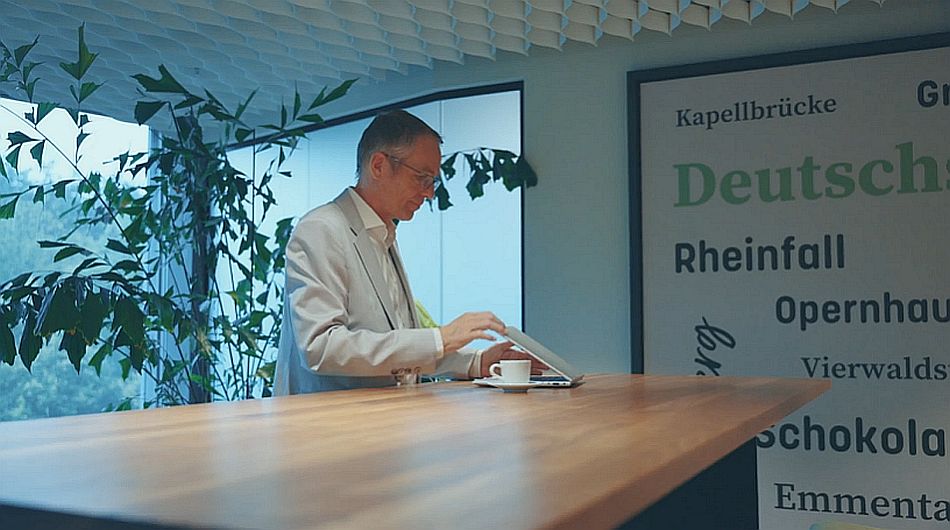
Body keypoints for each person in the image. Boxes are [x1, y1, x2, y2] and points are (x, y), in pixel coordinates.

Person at [274, 109, 543, 394]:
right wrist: (440, 338)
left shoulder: (383, 233)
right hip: (331, 418)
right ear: (379, 165)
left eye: (432, 182)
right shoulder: (321, 228)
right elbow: (320, 347)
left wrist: (477, 362)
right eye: (422, 178)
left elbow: (396, 346)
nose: (429, 193)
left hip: (385, 414)